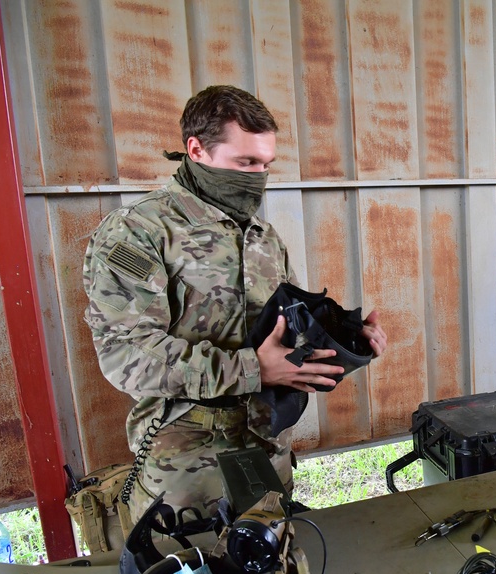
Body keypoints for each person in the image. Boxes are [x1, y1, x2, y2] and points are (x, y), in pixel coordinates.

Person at [83, 85, 387, 519]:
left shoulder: (263, 237)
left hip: (266, 447)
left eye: (266, 164)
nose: (257, 176)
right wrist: (252, 368)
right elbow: (126, 354)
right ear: (197, 150)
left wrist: (345, 343)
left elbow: (289, 329)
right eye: (245, 163)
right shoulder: (138, 233)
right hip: (185, 464)